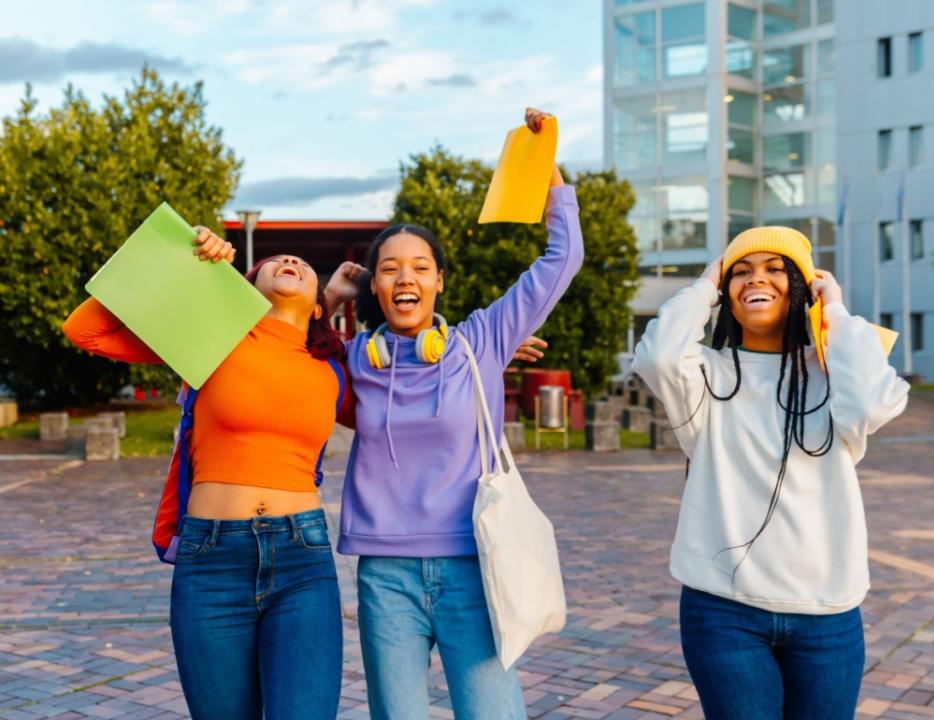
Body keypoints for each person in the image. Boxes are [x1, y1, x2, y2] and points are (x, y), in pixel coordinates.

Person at [322, 107, 583, 720]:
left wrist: (547, 170)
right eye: (389, 269)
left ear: (439, 280)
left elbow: (561, 258)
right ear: (376, 289)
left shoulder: (482, 341)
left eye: (418, 267)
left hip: (475, 564)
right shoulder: (357, 358)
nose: (404, 277)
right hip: (385, 577)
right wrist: (329, 298)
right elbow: (288, 347)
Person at [63, 233, 353, 720]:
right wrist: (179, 258)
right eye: (273, 260)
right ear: (246, 286)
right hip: (211, 561)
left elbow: (409, 403)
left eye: (300, 262)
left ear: (320, 308)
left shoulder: (334, 371)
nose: (288, 260)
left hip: (303, 563)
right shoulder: (208, 341)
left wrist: (484, 359)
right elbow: (85, 329)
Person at [632, 226, 909, 719]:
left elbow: (873, 400)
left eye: (776, 268)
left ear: (803, 289)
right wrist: (704, 285)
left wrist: (836, 312)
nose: (755, 278)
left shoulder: (831, 373)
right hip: (723, 611)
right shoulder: (706, 377)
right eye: (740, 272)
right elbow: (659, 354)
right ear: (725, 296)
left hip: (827, 614)